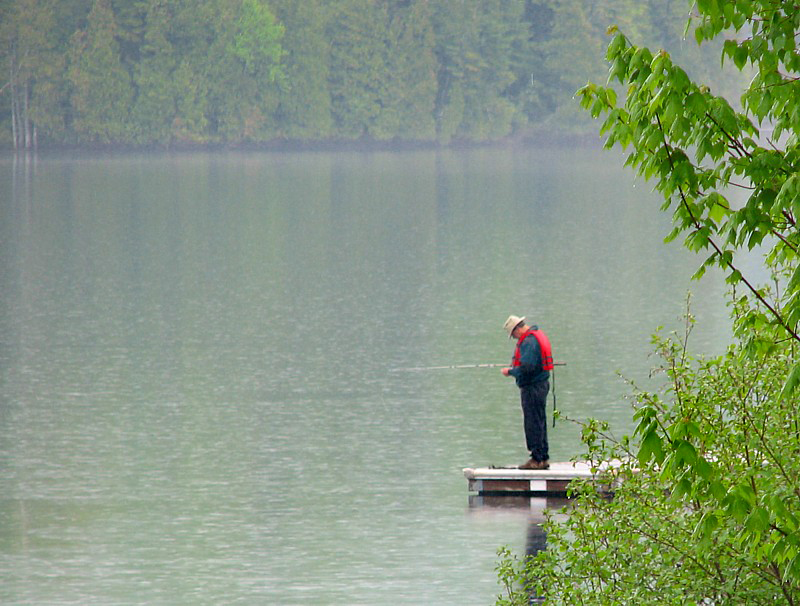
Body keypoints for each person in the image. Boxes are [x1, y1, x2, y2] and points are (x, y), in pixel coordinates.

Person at [501, 315, 553, 470]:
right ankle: (542, 457)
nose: (515, 338)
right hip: (541, 384)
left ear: (518, 329)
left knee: (532, 423)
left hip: (533, 387)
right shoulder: (534, 337)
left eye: (513, 334)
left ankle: (536, 459)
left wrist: (510, 371)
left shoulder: (529, 342)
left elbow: (528, 367)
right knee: (539, 421)